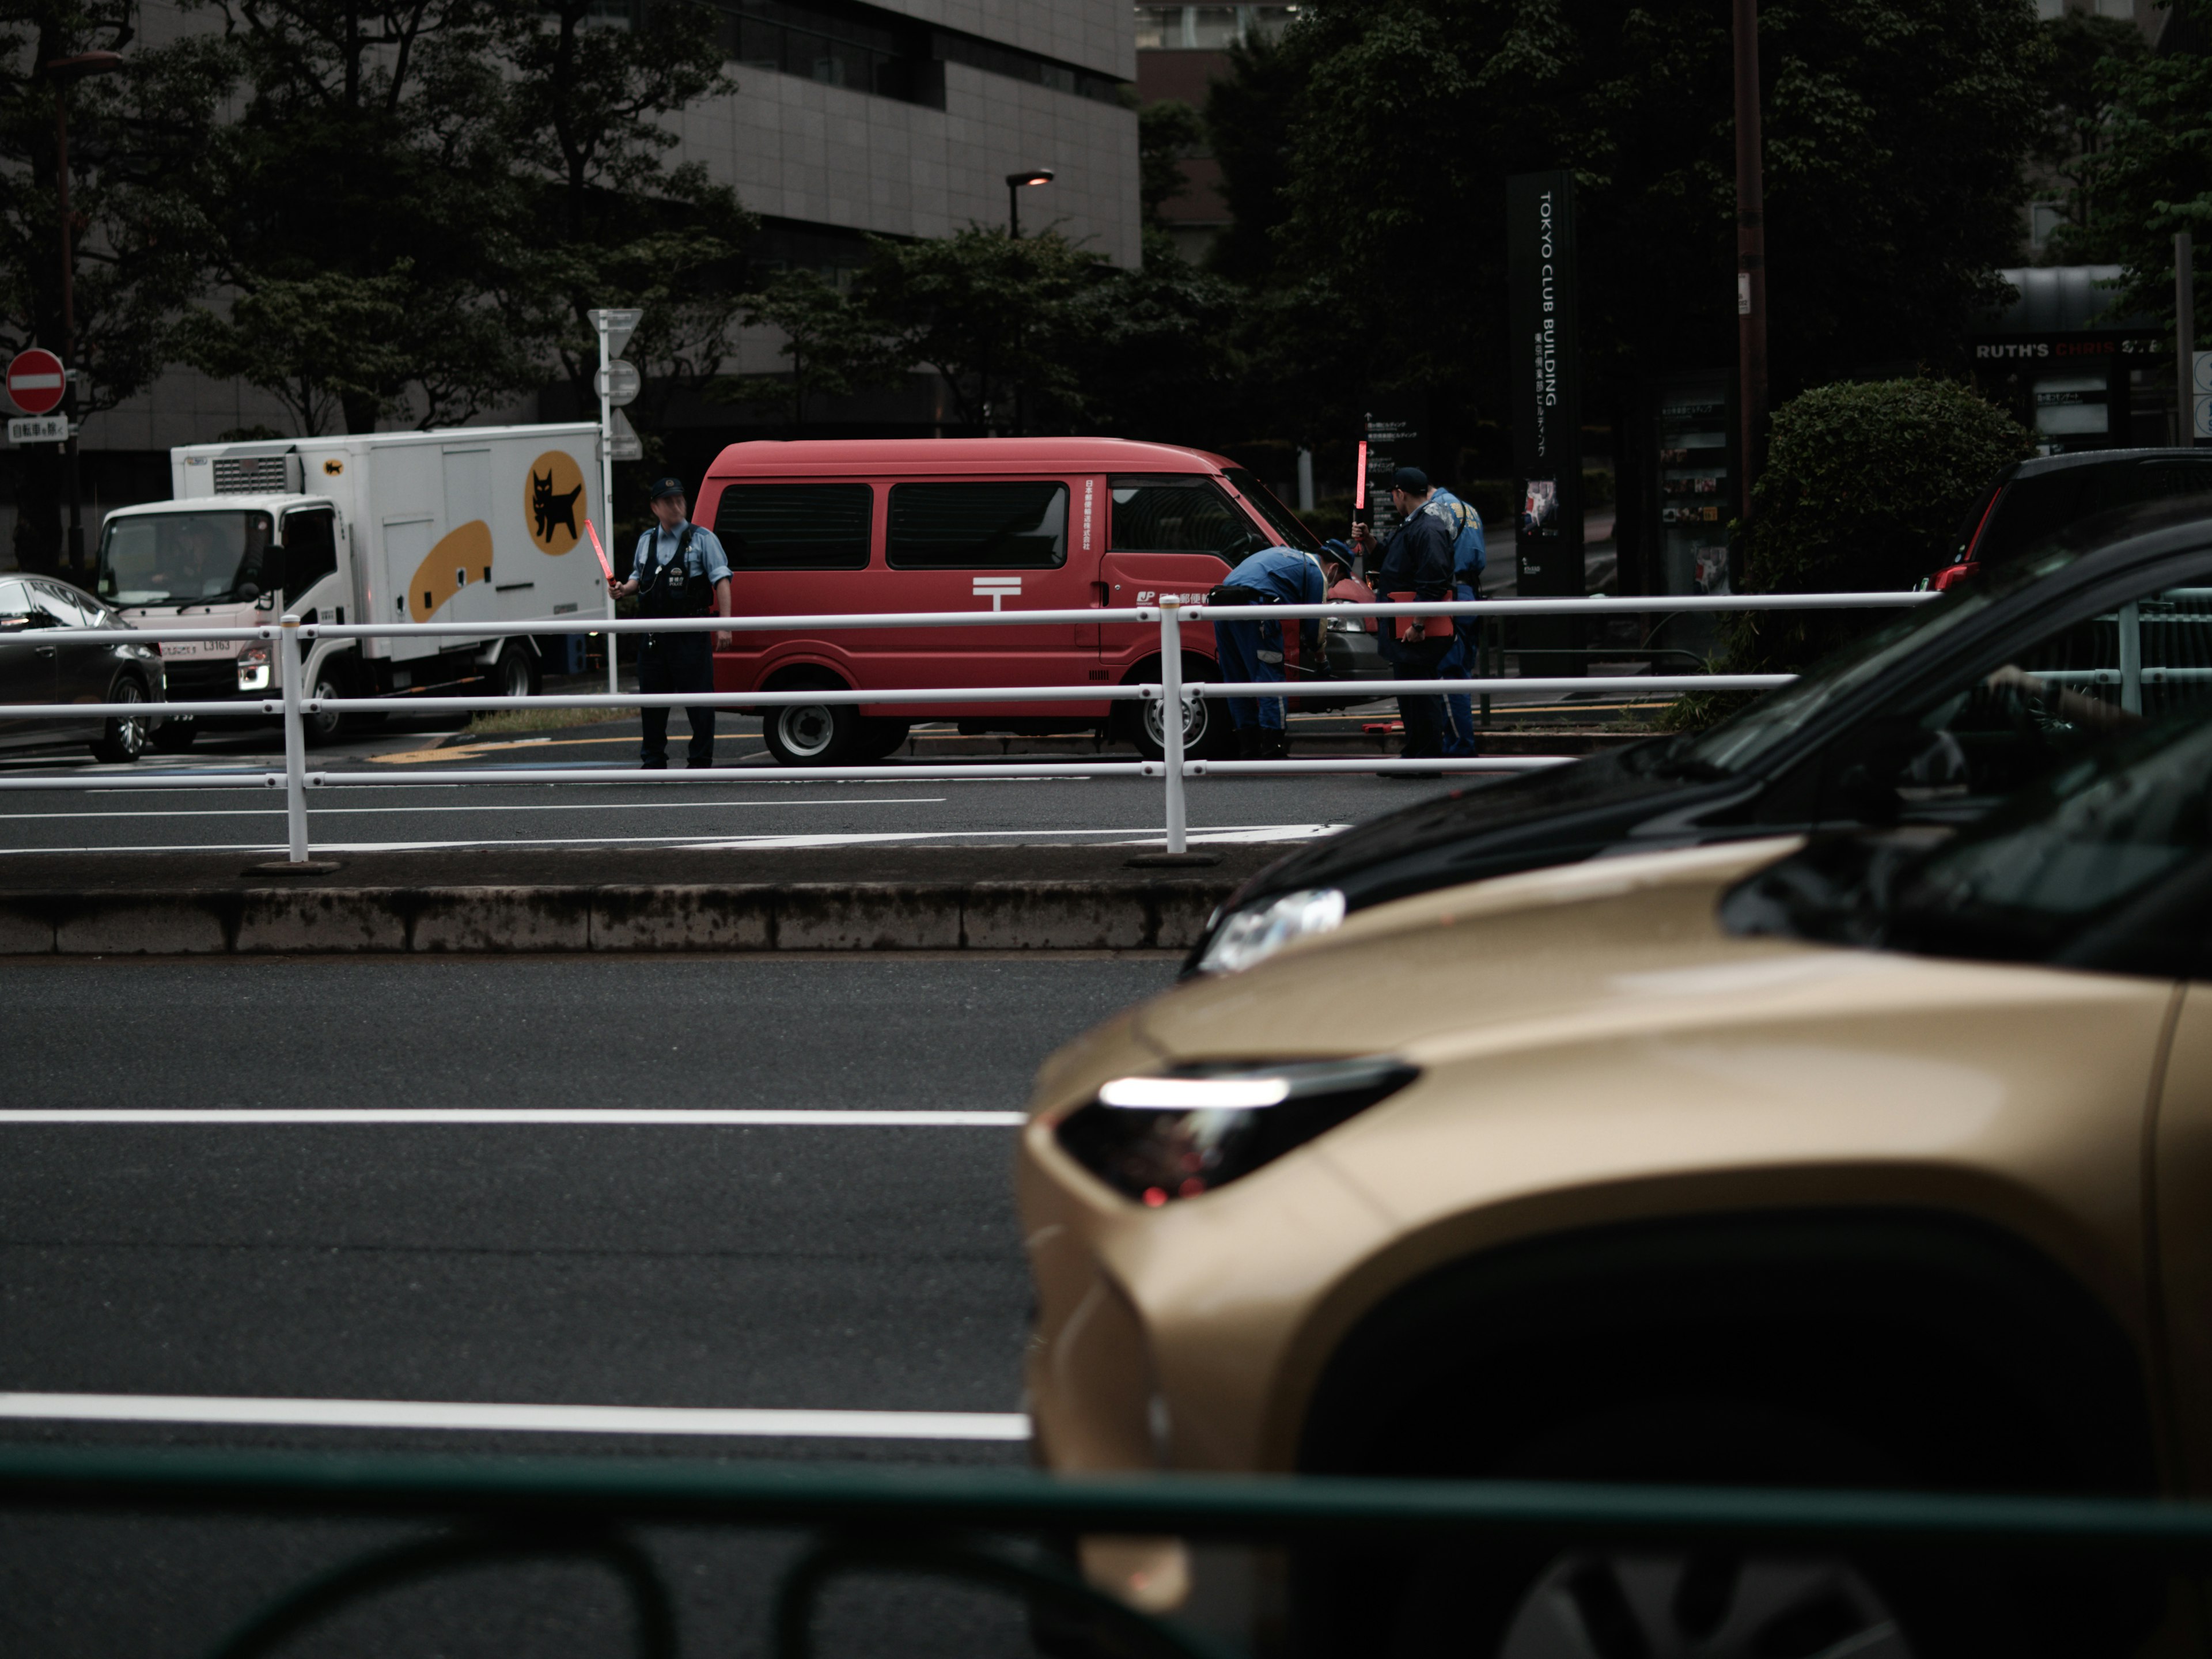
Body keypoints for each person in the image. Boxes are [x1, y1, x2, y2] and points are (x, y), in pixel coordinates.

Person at [608, 478, 733, 768]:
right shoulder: (646, 540)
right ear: (655, 507)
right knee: (652, 702)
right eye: (668, 501)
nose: (676, 506)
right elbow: (640, 578)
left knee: (699, 701)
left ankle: (701, 761)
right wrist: (623, 589)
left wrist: (726, 625)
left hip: (691, 632)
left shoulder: (703, 539)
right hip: (652, 633)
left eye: (680, 499)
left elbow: (722, 581)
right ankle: (653, 760)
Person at [1208, 541, 1354, 758]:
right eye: (1338, 580)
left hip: (1222, 604)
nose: (1332, 587)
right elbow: (1315, 629)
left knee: (1236, 680)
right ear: (1333, 568)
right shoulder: (1315, 572)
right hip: (1256, 610)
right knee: (1271, 679)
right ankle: (1272, 748)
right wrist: (1321, 661)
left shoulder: (1288, 555)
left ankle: (1248, 747)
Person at [1369, 467, 1456, 769]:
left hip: (1415, 627)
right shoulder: (1417, 524)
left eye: (1393, 494)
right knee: (1412, 694)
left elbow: (1433, 580)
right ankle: (1415, 753)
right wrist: (1368, 541)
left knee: (1420, 693)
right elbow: (1393, 561)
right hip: (1406, 623)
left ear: (1400, 493)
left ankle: (1426, 758)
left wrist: (1418, 623)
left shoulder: (1426, 527)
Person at [1425, 484, 1486, 757]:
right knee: (1460, 669)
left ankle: (1460, 744)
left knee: (1449, 674)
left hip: (1449, 595)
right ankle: (1457, 741)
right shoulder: (1469, 508)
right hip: (1470, 593)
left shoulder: (1436, 510)